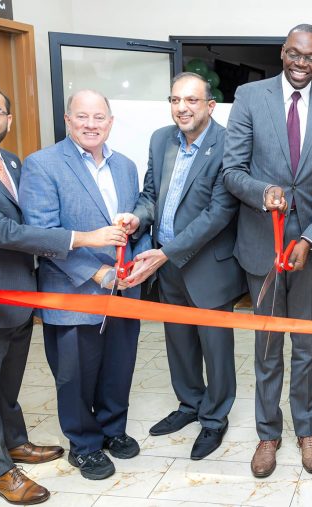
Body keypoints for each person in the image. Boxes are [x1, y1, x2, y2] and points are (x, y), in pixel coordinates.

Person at [0, 82, 127, 504]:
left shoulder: (11, 163)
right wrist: (84, 239)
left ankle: (15, 443)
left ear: (7, 120)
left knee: (7, 386)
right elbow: (0, 231)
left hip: (19, 298)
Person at [222, 23, 312, 477]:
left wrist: (310, 237)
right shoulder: (249, 97)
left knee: (306, 343)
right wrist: (264, 192)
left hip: (310, 247)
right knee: (266, 345)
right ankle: (267, 434)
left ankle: (308, 431)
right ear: (283, 53)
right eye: (295, 54)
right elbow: (232, 170)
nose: (302, 63)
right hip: (262, 242)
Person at [115, 72, 246, 461]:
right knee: (179, 342)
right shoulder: (161, 139)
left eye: (191, 100)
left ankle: (214, 418)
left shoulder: (228, 144)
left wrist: (167, 251)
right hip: (166, 263)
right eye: (175, 100)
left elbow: (219, 212)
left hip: (207, 266)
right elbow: (151, 194)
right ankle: (190, 404)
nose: (182, 108)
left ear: (209, 106)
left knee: (215, 348)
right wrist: (138, 218)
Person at [20, 89, 146, 481]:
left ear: (110, 122)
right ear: (67, 120)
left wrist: (135, 263)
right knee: (75, 375)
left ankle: (112, 429)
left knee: (118, 366)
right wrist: (97, 273)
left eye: (99, 118)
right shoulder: (42, 164)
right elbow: (43, 233)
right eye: (82, 117)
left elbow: (134, 219)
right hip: (72, 291)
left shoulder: (124, 165)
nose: (91, 125)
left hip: (123, 288)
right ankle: (85, 445)